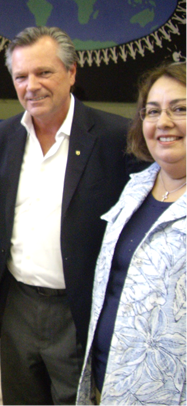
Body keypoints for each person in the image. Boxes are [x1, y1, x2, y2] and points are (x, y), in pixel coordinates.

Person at [0, 26, 147, 405]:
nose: (31, 86)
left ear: (72, 73)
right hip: (17, 305)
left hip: (78, 310)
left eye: (44, 73)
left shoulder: (116, 137)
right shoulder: (2, 137)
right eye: (21, 76)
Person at [77, 62, 187, 404]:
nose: (164, 122)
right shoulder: (137, 187)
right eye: (153, 111)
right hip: (108, 380)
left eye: (180, 109)